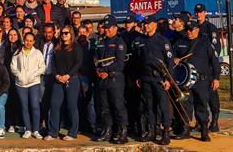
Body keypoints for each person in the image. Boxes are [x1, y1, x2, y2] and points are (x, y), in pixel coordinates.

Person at [173, 21, 220, 142]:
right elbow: (173, 57)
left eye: (192, 30)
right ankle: (185, 129)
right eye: (187, 30)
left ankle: (204, 129)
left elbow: (214, 61)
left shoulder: (205, 43)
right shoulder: (180, 43)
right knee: (185, 105)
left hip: (201, 81)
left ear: (197, 30)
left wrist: (216, 78)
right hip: (185, 81)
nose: (189, 32)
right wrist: (175, 59)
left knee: (201, 105)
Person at [133, 16, 174, 145]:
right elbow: (138, 61)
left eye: (148, 23)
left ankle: (166, 132)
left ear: (155, 25)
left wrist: (169, 79)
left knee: (162, 106)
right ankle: (151, 131)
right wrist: (138, 77)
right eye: (144, 24)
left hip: (159, 79)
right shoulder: (140, 40)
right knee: (149, 107)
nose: (145, 26)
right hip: (145, 79)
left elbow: (169, 62)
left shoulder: (163, 41)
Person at [94, 15, 128, 144]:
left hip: (115, 80)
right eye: (105, 27)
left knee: (118, 107)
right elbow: (96, 60)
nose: (106, 30)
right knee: (105, 108)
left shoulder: (120, 42)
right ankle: (107, 131)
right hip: (102, 81)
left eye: (108, 27)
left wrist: (106, 72)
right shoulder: (101, 42)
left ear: (114, 28)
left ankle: (122, 132)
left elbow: (120, 63)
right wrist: (98, 70)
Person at [46, 25, 83, 141]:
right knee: (54, 105)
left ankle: (72, 133)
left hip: (71, 80)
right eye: (62, 33)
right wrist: (56, 75)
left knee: (72, 106)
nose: (64, 35)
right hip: (58, 80)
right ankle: (53, 132)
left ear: (71, 34)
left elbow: (78, 63)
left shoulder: (76, 47)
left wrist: (68, 75)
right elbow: (53, 63)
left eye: (66, 33)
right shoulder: (57, 47)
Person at [10, 30, 45, 139]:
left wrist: (34, 74)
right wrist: (19, 75)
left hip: (34, 82)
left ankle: (36, 130)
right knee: (24, 106)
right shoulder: (18, 52)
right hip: (21, 84)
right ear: (23, 40)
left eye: (31, 41)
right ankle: (28, 129)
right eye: (26, 40)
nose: (28, 43)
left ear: (34, 41)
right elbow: (13, 66)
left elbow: (42, 67)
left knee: (35, 106)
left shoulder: (37, 53)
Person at [194, 3, 222, 131]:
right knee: (198, 96)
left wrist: (215, 72)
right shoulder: (193, 28)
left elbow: (216, 49)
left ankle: (215, 121)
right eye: (196, 12)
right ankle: (200, 122)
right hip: (198, 68)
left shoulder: (210, 28)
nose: (198, 14)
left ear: (205, 13)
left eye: (200, 12)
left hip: (209, 67)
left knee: (212, 95)